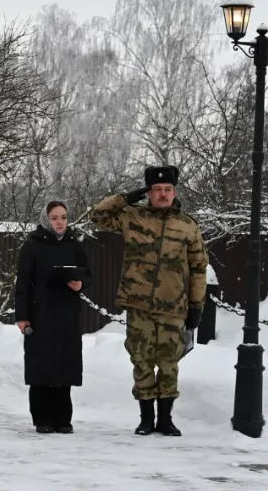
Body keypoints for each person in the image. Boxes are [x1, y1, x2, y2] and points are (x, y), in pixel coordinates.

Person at [88, 165, 208, 436]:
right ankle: (145, 419)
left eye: (167, 190)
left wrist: (196, 306)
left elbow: (199, 268)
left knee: (169, 363)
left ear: (174, 191)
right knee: (141, 360)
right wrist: (127, 197)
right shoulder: (133, 218)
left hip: (173, 306)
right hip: (139, 304)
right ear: (149, 193)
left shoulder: (188, 226)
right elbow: (97, 215)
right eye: (156, 190)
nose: (163, 195)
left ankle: (165, 420)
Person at [14, 200, 92, 434]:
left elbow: (87, 274)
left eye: (64, 217)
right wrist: (22, 316)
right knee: (42, 364)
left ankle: (63, 417)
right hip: (41, 313)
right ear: (46, 219)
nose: (60, 222)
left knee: (64, 365)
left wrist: (81, 283)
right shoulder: (33, 246)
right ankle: (42, 417)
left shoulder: (74, 245)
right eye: (55, 218)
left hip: (67, 313)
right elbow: (23, 283)